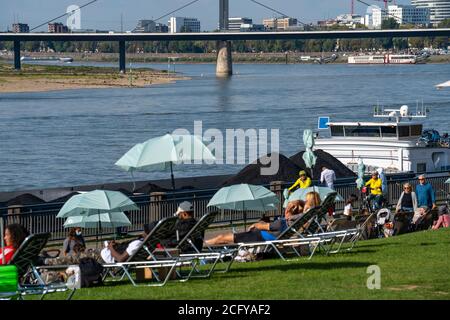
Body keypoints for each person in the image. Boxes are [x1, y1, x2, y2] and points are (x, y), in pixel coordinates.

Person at [204, 200, 303, 246]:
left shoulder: (282, 222)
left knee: (222, 237)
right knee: (224, 237)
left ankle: (205, 245)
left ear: (288, 210)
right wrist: (262, 223)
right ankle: (207, 244)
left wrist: (255, 224)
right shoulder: (289, 222)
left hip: (257, 237)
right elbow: (267, 226)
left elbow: (261, 226)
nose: (285, 208)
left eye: (286, 207)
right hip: (261, 236)